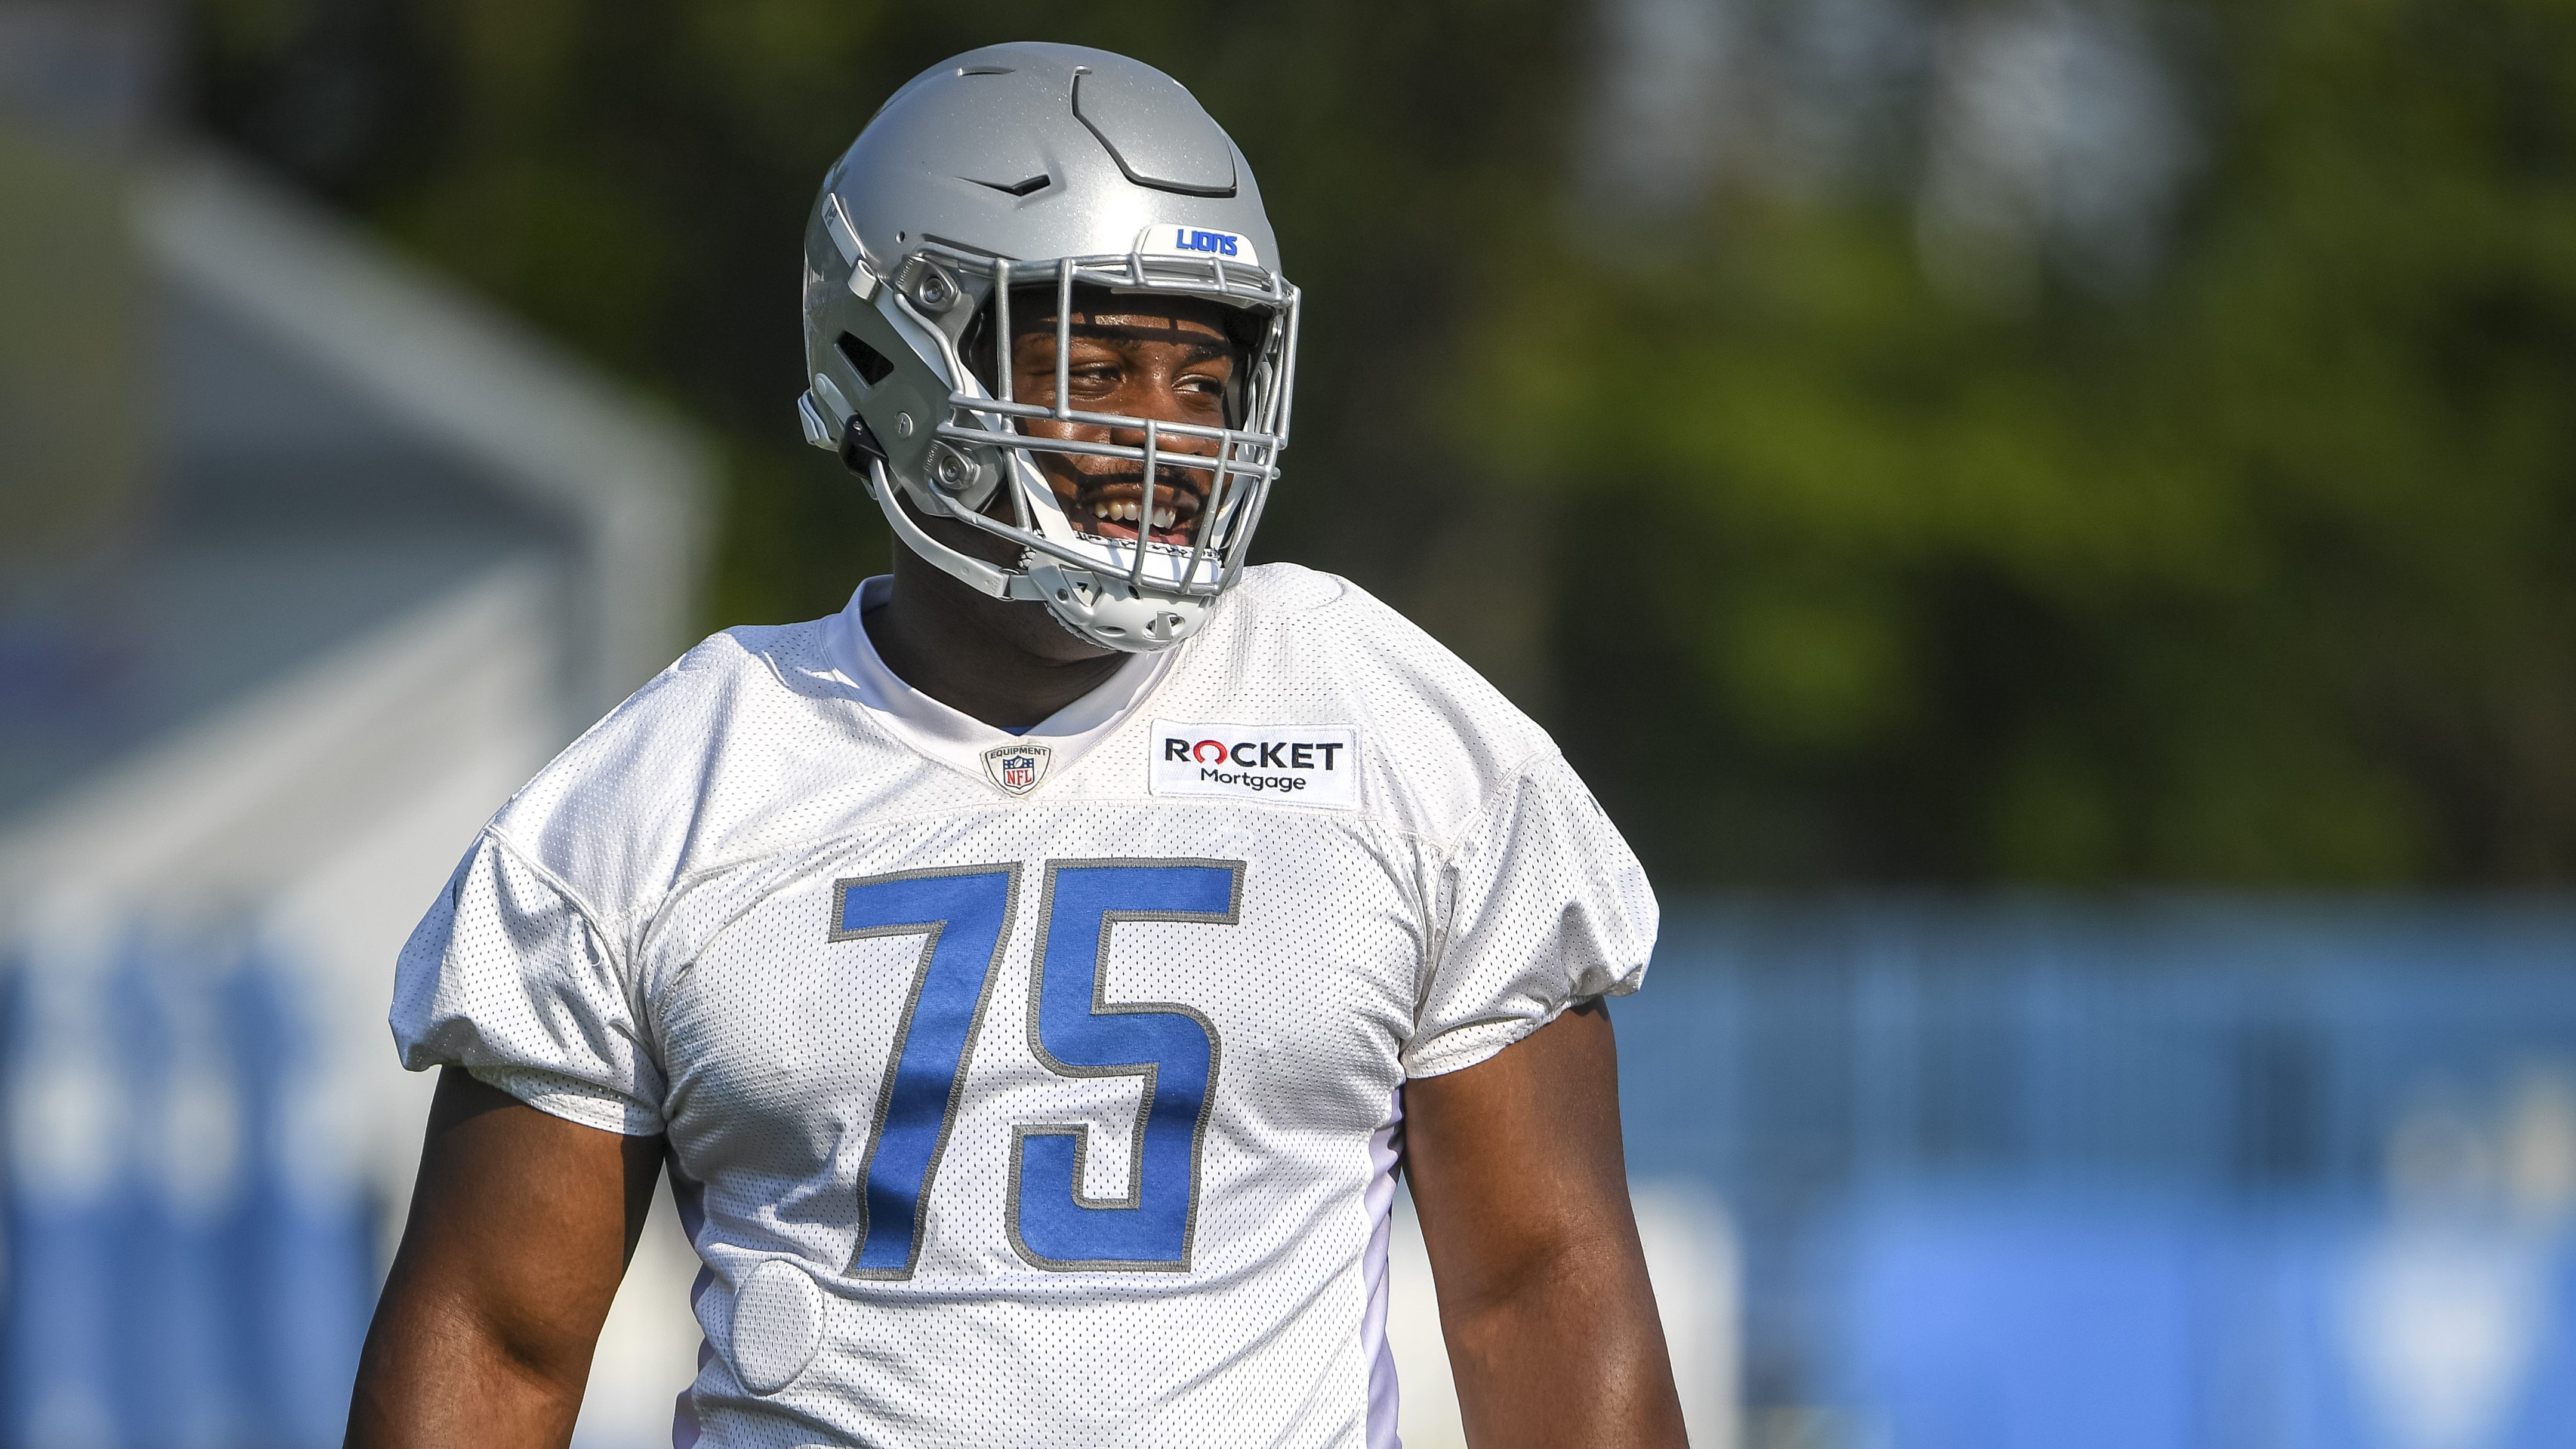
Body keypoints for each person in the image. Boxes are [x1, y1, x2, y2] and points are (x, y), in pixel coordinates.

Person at [350, 41, 1686, 1449]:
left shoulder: (1394, 730)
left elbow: (1541, 1286)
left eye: (1202, 374)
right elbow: (496, 1341)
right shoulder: (663, 789)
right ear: (892, 363)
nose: (1165, 437)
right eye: (1097, 365)